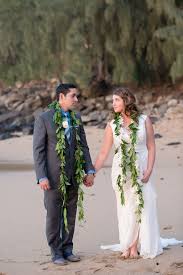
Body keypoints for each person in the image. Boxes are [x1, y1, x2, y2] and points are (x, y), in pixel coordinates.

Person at [94, 87, 163, 259]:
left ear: (126, 100)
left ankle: (134, 246)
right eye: (113, 100)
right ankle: (127, 243)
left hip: (141, 166)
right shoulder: (112, 125)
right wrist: (92, 172)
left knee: (142, 203)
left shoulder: (144, 120)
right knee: (125, 206)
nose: (113, 103)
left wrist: (149, 169)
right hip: (121, 170)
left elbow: (151, 147)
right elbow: (104, 152)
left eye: (116, 100)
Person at [33, 83, 95, 265]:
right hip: (52, 177)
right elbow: (38, 151)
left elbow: (83, 146)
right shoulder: (44, 118)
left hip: (73, 175)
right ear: (61, 97)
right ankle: (56, 252)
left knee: (70, 213)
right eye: (73, 96)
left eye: (77, 96)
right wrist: (41, 176)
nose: (76, 99)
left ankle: (68, 249)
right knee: (54, 215)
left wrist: (89, 170)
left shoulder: (76, 118)